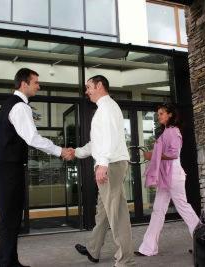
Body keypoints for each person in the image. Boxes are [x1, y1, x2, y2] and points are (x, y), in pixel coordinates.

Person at [0, 68, 65, 267]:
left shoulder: (10, 104)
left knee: (12, 215)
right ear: (24, 84)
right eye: (35, 82)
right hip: (10, 168)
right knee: (10, 216)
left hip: (7, 166)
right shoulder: (20, 107)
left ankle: (9, 261)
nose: (38, 86)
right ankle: (6, 263)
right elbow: (32, 138)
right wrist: (60, 151)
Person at [63, 75, 136, 267]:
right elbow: (98, 142)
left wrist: (102, 164)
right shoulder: (105, 108)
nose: (86, 91)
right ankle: (93, 249)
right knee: (103, 212)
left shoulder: (107, 108)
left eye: (89, 87)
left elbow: (109, 139)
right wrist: (77, 152)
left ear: (100, 85)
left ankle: (126, 260)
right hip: (110, 163)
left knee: (117, 214)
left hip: (110, 165)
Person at [134, 103, 201, 257]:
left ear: (170, 114)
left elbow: (174, 154)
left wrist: (153, 155)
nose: (159, 117)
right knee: (158, 210)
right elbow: (165, 153)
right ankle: (148, 248)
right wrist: (154, 154)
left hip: (173, 174)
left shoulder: (173, 131)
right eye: (158, 114)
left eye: (162, 113)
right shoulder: (166, 131)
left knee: (183, 207)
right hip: (167, 175)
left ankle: (203, 242)